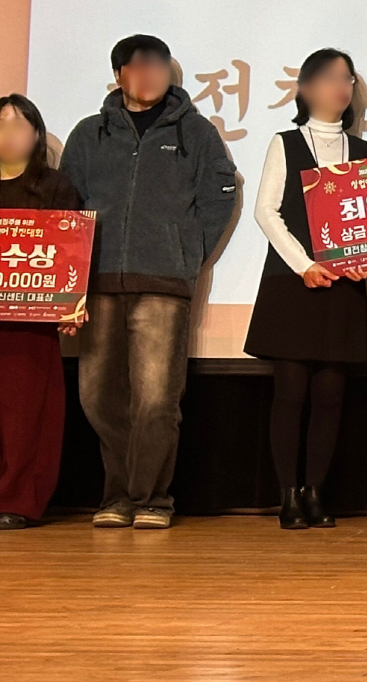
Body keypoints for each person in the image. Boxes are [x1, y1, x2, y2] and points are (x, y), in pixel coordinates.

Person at [67, 34, 239, 529]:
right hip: (98, 284)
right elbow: (69, 205)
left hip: (164, 282)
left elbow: (220, 194)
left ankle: (151, 499)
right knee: (98, 398)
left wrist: (187, 253)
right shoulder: (89, 134)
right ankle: (118, 495)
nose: (150, 73)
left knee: (156, 399)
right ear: (118, 75)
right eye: (138, 65)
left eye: (159, 65)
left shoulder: (196, 132)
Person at [242, 48, 367, 530]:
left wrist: (361, 261)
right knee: (291, 392)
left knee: (331, 395)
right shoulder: (286, 143)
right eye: (329, 77)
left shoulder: (361, 150)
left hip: (341, 288)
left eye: (347, 79)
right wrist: (304, 265)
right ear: (305, 88)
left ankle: (315, 493)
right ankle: (287, 497)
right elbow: (265, 211)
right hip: (293, 283)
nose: (340, 87)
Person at [0, 94, 84, 530]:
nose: (9, 134)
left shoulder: (55, 187)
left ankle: (17, 501)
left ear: (36, 134)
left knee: (25, 414)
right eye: (2, 124)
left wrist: (71, 305)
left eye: (20, 125)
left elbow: (71, 252)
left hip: (29, 321)